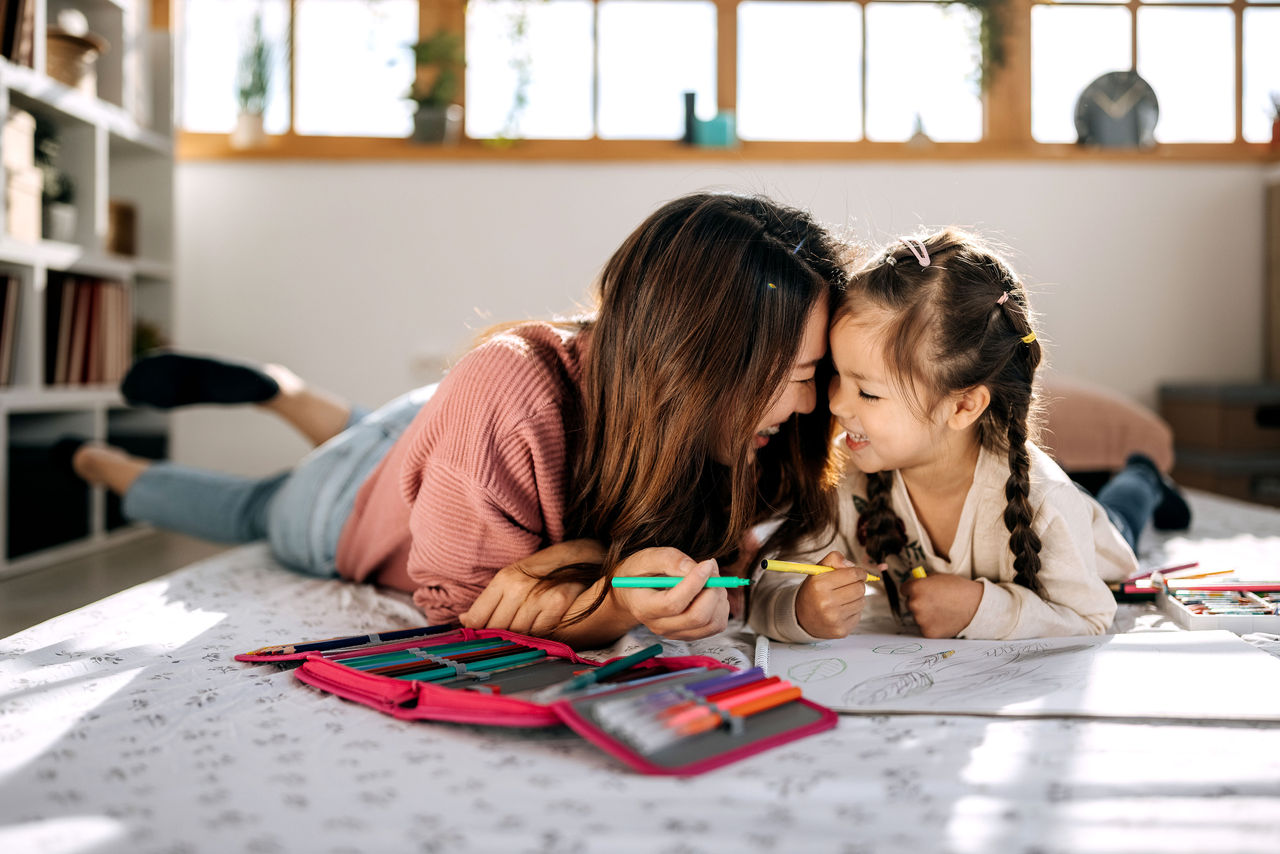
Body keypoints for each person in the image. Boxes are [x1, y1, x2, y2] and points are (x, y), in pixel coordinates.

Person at [69, 192, 855, 649]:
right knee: (259, 504)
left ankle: (278, 391)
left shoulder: (722, 424)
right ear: (691, 365)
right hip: (357, 500)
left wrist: (608, 566)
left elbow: (730, 560)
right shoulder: (508, 388)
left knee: (376, 426)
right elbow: (467, 609)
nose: (810, 404)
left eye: (814, 374)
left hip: (441, 434)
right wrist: (612, 596)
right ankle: (102, 464)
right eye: (791, 379)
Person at [750, 228, 1189, 643]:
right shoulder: (847, 475)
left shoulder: (1048, 502)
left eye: (867, 392)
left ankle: (1143, 478)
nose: (836, 405)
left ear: (961, 406)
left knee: (1119, 519)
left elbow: (1092, 619)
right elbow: (772, 582)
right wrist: (802, 610)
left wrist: (980, 608)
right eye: (836, 377)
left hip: (1092, 534)